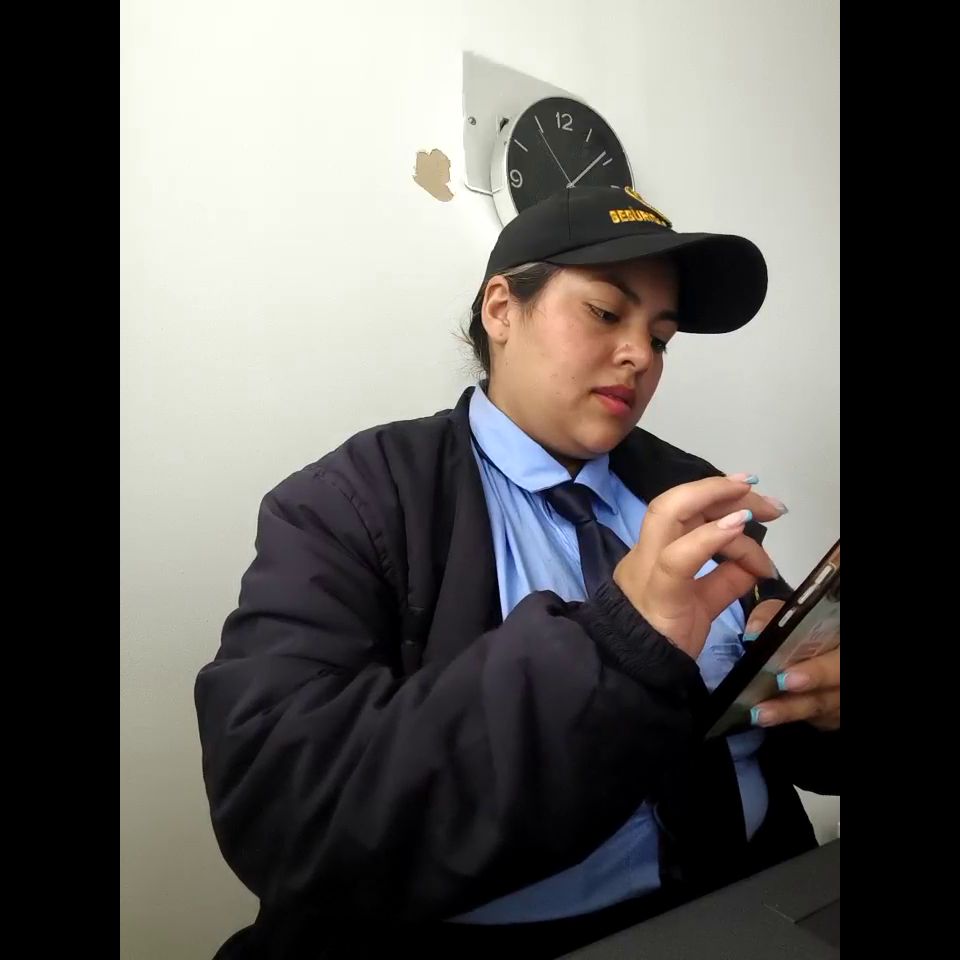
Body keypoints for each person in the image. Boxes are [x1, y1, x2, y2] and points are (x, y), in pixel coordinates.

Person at [195, 186, 840, 959]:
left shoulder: (692, 489)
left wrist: (818, 702)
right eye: (605, 312)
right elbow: (285, 811)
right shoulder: (354, 501)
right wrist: (616, 646)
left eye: (661, 338)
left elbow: (780, 733)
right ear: (502, 309)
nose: (640, 356)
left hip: (758, 893)